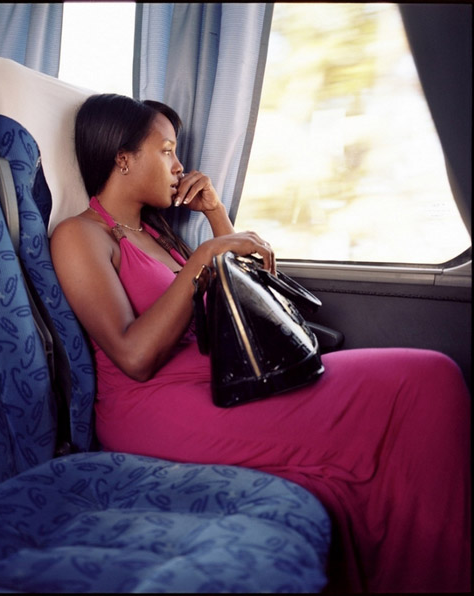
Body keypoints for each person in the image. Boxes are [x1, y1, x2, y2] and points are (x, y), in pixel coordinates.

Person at [50, 94, 471, 593]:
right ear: (123, 158)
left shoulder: (159, 237)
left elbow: (239, 303)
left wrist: (216, 217)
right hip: (153, 406)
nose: (179, 165)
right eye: (166, 151)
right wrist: (206, 255)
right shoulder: (79, 236)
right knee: (423, 383)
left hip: (221, 382)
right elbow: (134, 357)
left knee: (426, 381)